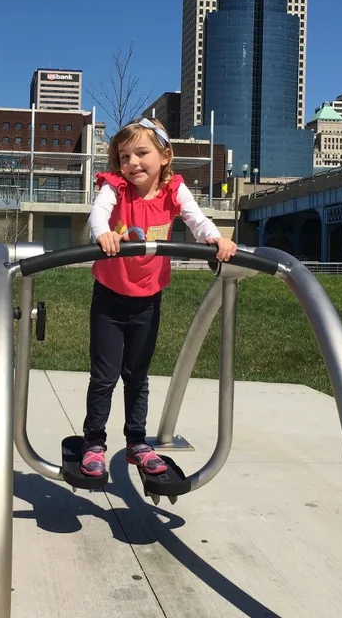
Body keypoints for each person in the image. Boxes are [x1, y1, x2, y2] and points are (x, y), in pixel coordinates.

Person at [81, 117, 236, 477]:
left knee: (138, 375)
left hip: (148, 298)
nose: (132, 162)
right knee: (105, 375)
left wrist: (215, 239)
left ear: (165, 156)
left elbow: (197, 220)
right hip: (109, 296)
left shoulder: (174, 190)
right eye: (124, 156)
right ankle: (94, 442)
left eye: (142, 153)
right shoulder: (116, 188)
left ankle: (137, 441)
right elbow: (98, 214)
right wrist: (103, 233)